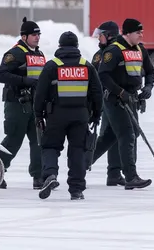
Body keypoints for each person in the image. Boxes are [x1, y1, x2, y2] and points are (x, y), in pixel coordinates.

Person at [35, 31, 103, 200]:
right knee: (77, 151)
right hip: (81, 115)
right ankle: (76, 189)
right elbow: (97, 93)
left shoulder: (52, 66)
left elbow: (40, 93)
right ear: (77, 47)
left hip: (56, 115)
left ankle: (50, 175)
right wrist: (96, 115)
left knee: (50, 146)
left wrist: (37, 114)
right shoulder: (86, 66)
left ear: (60, 46)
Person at [91, 18, 154, 190]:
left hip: (131, 99)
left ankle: (83, 165)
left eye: (142, 32)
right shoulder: (111, 51)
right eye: (138, 32)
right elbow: (101, 77)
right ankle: (130, 176)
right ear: (127, 33)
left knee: (112, 137)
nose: (141, 35)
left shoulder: (140, 49)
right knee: (127, 135)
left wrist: (148, 87)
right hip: (113, 100)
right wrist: (120, 92)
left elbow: (149, 71)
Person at [0, 17, 45, 189]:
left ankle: (39, 176)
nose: (37, 37)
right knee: (14, 139)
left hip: (34, 103)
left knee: (38, 139)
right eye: (33, 35)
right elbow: (1, 75)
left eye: (38, 34)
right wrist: (25, 81)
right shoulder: (14, 54)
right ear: (24, 37)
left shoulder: (38, 54)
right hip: (16, 103)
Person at [88, 20, 126, 186]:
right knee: (109, 136)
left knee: (116, 136)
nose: (99, 39)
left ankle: (114, 173)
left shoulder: (119, 52)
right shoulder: (99, 54)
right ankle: (83, 164)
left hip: (120, 99)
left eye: (101, 35)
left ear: (110, 36)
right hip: (105, 101)